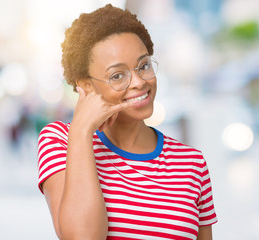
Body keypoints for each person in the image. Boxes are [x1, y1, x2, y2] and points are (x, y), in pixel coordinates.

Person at [37, 4, 217, 240]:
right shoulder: (60, 140)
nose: (139, 82)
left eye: (144, 66)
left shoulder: (192, 163)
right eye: (117, 75)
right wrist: (81, 131)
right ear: (87, 86)